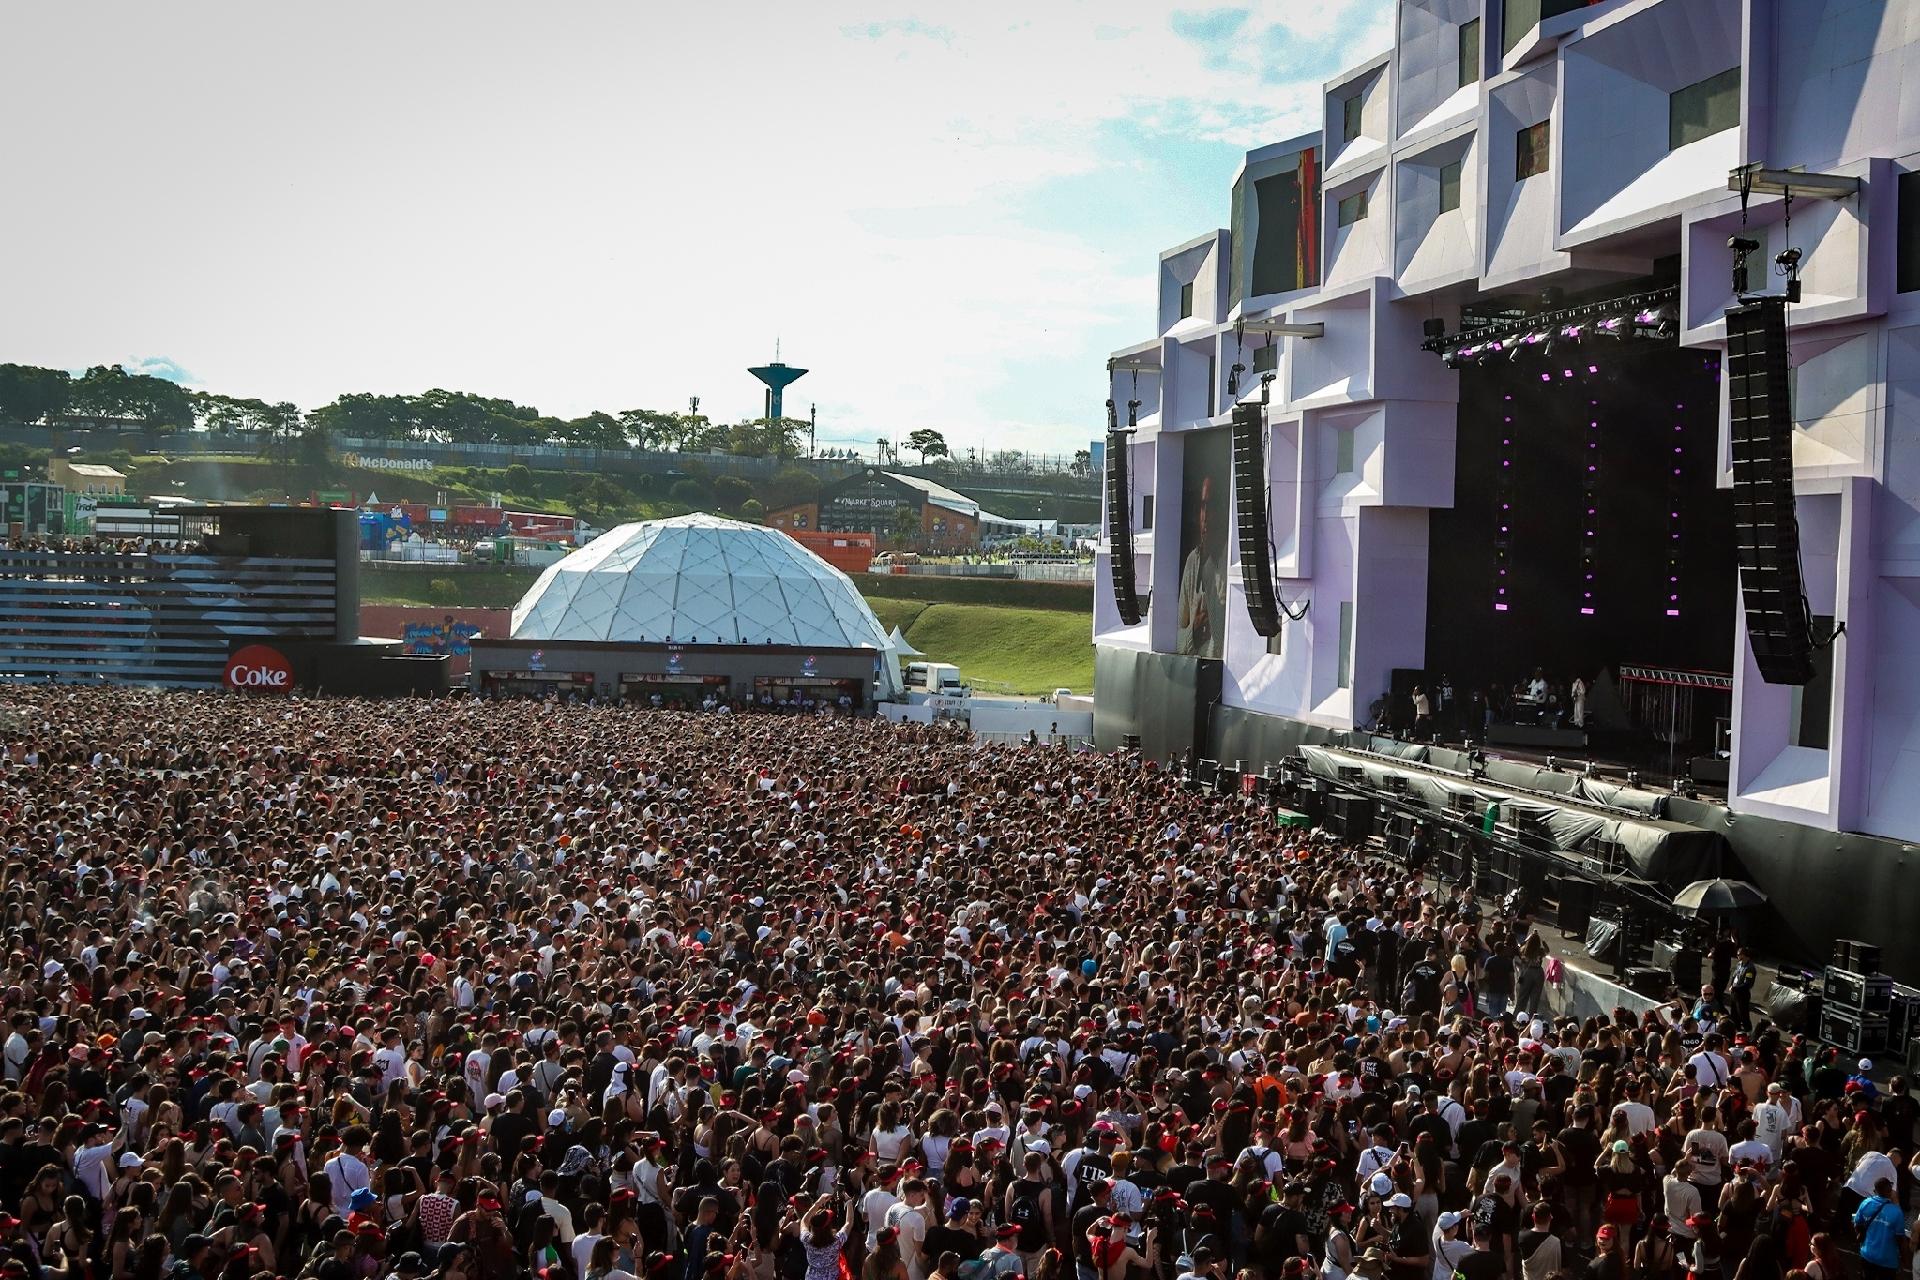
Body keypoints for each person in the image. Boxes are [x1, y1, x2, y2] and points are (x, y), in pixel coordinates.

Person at [1176, 475, 1221, 659]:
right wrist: (1193, 632)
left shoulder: (1229, 564)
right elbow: (1178, 636)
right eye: (1203, 507)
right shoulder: (1192, 561)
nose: (1207, 517)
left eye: (1212, 507)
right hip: (1193, 673)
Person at [1854, 1178, 1909, 1280]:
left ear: (1875, 1190)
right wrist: (1904, 1259)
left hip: (1867, 1255)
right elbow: (1900, 1239)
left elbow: (1857, 1224)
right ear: (1890, 1192)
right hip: (1888, 1261)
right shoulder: (1897, 1212)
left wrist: (1862, 1241)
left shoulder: (1866, 1203)